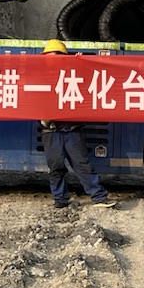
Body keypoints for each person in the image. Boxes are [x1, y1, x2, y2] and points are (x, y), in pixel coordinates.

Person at [39, 39, 114, 210]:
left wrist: (82, 65)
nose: (50, 61)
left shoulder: (75, 75)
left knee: (82, 166)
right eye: (48, 57)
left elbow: (95, 82)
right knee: (56, 168)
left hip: (73, 131)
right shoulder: (41, 77)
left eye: (54, 57)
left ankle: (99, 197)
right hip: (51, 132)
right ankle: (60, 199)